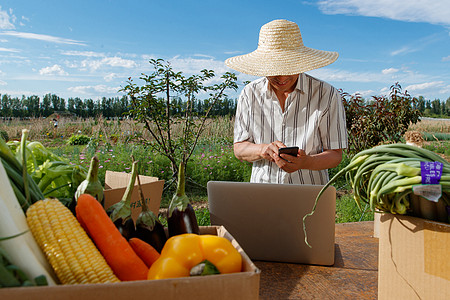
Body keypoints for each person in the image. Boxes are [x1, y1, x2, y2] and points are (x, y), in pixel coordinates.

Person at [225, 19, 348, 185]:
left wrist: (307, 162)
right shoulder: (250, 93)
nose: (282, 78)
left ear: (300, 62)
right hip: (262, 193)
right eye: (274, 69)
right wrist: (263, 150)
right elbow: (239, 149)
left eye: (288, 68)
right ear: (262, 66)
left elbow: (335, 154)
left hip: (310, 195)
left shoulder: (326, 94)